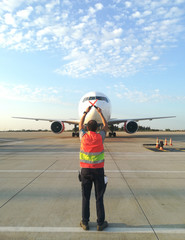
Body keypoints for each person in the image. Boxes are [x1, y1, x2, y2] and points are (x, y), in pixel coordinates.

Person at [79, 105, 108, 231]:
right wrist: (100, 113)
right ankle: (100, 223)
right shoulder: (100, 137)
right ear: (97, 128)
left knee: (85, 197)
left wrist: (85, 112)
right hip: (98, 171)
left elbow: (80, 125)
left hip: (85, 171)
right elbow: (106, 126)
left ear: (86, 128)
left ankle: (85, 222)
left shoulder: (83, 137)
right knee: (99, 197)